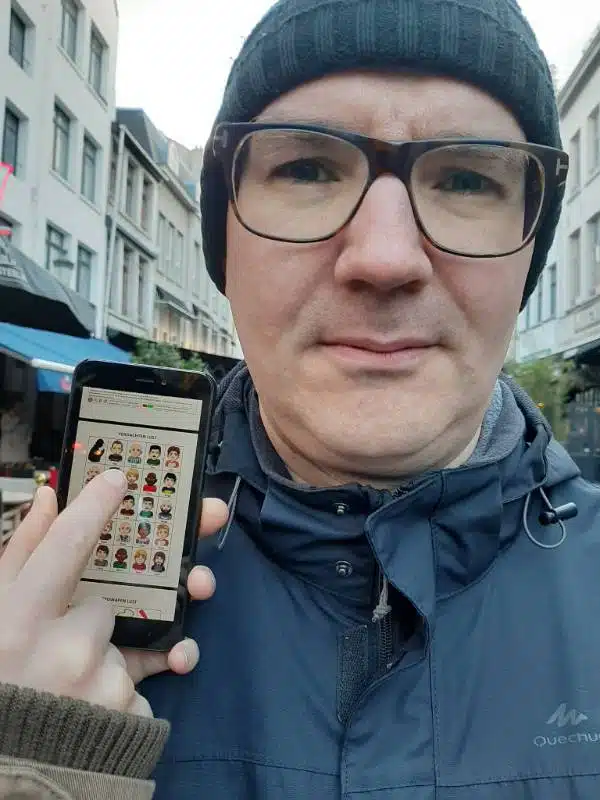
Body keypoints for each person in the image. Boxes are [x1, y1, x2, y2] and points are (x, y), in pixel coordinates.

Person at [2, 0, 600, 798]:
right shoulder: (24, 613)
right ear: (225, 246)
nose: (384, 258)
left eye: (465, 179)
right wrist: (30, 761)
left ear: (528, 257)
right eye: (308, 170)